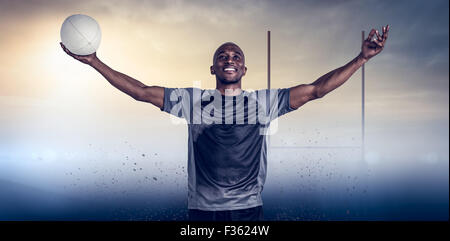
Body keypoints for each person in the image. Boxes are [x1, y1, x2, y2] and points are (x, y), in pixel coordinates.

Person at [60, 25, 389, 221]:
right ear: (213, 68)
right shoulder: (192, 101)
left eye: (236, 57)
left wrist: (362, 58)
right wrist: (94, 62)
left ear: (244, 69)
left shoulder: (264, 102)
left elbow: (317, 89)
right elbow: (143, 92)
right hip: (201, 210)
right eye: (222, 56)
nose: (229, 59)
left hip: (248, 209)